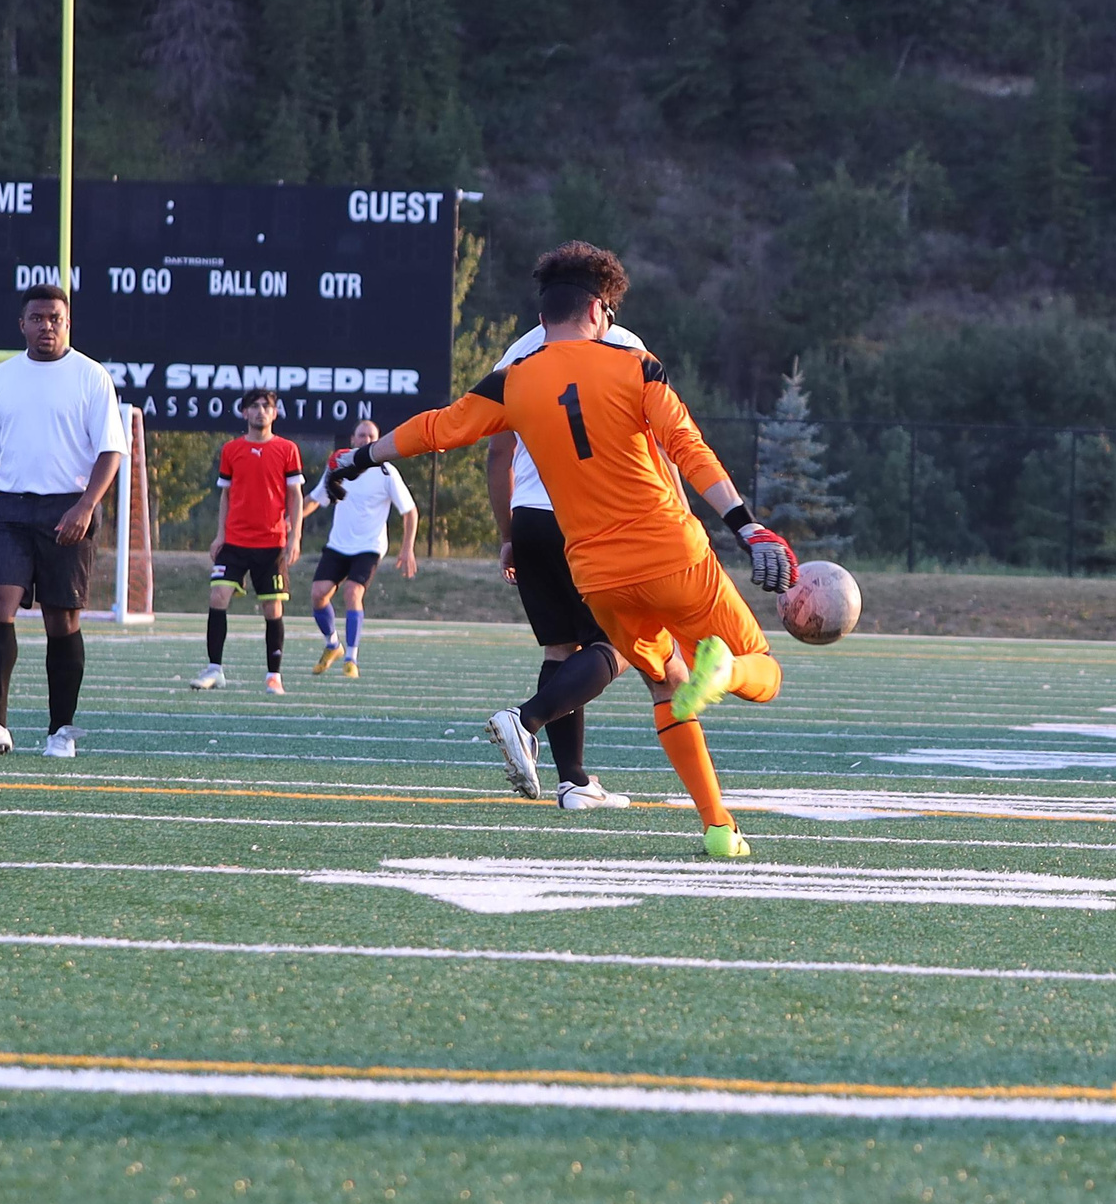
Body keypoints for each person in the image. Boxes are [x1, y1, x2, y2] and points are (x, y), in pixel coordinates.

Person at [329, 241, 797, 858]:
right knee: (760, 668)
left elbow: (439, 429)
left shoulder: (514, 381)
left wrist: (360, 455)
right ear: (600, 309)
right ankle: (727, 672)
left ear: (543, 314)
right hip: (670, 552)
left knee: (668, 685)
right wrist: (745, 525)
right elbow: (688, 448)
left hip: (598, 577)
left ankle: (718, 829)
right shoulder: (636, 364)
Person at [0, 283, 128, 757]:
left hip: (67, 508)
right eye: (38, 318)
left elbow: (111, 451)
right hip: (9, 510)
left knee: (61, 619)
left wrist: (85, 506)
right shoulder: (2, 379)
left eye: (55, 318)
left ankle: (60, 730)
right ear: (22, 324)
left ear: (67, 323)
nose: (47, 326)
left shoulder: (91, 376)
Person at [479, 306, 648, 811]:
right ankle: (525, 719)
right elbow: (652, 447)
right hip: (591, 517)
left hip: (530, 517)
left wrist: (508, 534)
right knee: (622, 642)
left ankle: (574, 782)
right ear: (599, 305)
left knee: (560, 648)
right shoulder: (626, 347)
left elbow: (498, 455)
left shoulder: (517, 354)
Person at [189, 388, 305, 695]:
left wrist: (295, 537)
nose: (260, 411)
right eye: (254, 406)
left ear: (275, 413)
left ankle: (273, 675)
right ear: (244, 412)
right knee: (218, 596)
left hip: (271, 543)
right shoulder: (231, 450)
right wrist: (220, 534)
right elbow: (226, 495)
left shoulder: (288, 449)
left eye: (266, 406)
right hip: (236, 541)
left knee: (272, 608)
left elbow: (295, 496)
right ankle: (214, 669)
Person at [300, 418, 419, 678]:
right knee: (318, 594)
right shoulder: (339, 466)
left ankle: (351, 659)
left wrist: (407, 548)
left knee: (353, 592)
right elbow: (315, 499)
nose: (366, 440)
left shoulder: (386, 472)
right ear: (353, 440)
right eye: (361, 435)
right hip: (338, 544)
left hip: (369, 546)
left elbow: (410, 512)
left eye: (371, 436)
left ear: (378, 441)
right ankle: (333, 645)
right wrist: (291, 520)